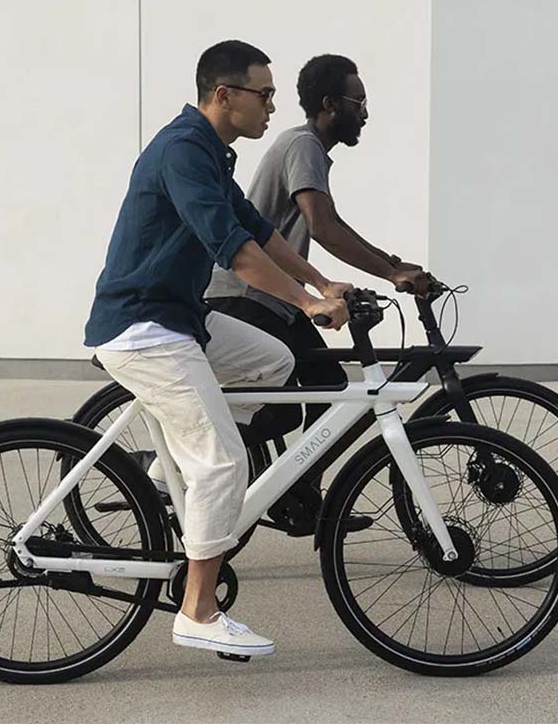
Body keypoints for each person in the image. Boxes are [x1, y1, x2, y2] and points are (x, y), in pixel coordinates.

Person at [84, 40, 351, 658]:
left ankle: (167, 471)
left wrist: (320, 283)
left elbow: (261, 231)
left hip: (182, 320)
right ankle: (198, 612)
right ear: (224, 95)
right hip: (143, 329)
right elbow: (235, 251)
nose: (272, 107)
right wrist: (308, 306)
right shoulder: (183, 151)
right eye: (265, 95)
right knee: (226, 462)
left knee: (274, 361)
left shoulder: (209, 151)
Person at [206, 54, 428, 478]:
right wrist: (391, 272)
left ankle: (299, 485)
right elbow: (323, 226)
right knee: (284, 410)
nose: (365, 113)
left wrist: (391, 265)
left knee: (330, 389)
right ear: (330, 104)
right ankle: (191, 464)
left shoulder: (308, 149)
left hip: (273, 300)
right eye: (357, 103)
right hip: (247, 296)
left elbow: (329, 223)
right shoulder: (303, 145)